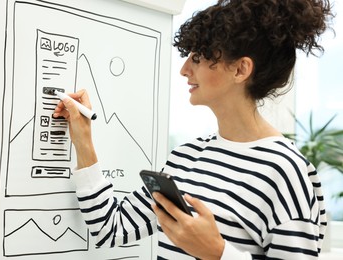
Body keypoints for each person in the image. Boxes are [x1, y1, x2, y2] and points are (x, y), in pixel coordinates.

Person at [53, 0, 334, 259]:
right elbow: (111, 227)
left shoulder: (285, 171)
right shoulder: (185, 157)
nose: (184, 69)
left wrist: (218, 252)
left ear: (240, 70)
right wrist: (82, 137)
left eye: (197, 57)